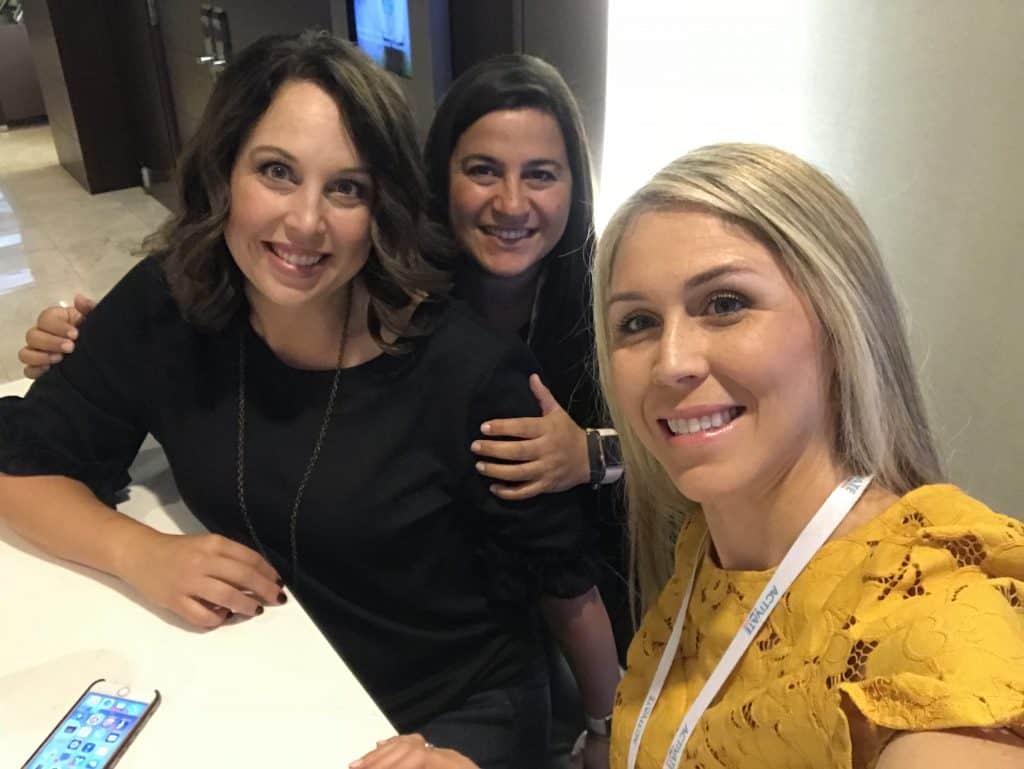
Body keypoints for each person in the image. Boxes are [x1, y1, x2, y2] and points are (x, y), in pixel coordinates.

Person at [0, 31, 619, 768]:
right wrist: (139, 552)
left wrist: (608, 728)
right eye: (276, 172)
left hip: (445, 711)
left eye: (347, 188)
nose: (304, 222)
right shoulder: (168, 304)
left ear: (383, 204)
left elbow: (562, 578)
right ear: (224, 170)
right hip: (272, 670)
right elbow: (23, 460)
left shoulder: (472, 371)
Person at [353, 144, 1024, 768]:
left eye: (725, 304)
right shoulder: (708, 551)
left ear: (840, 321)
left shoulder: (939, 611)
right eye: (638, 322)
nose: (671, 363)